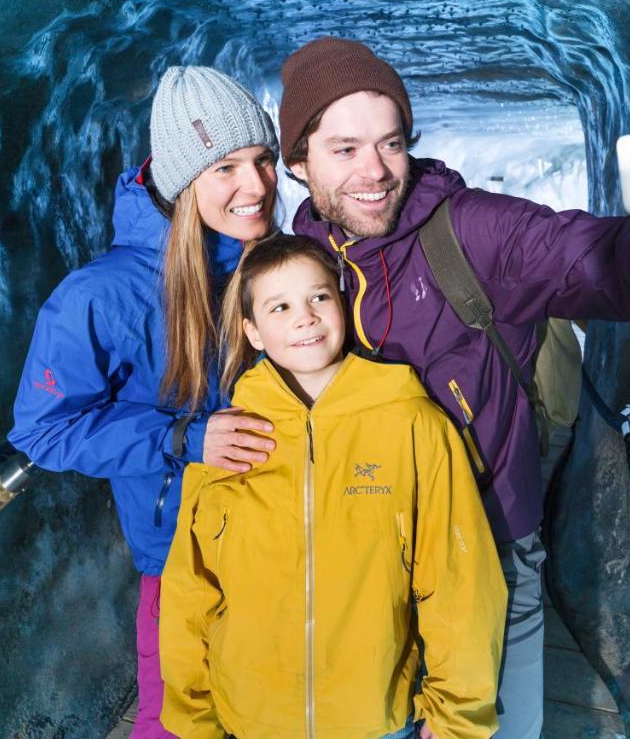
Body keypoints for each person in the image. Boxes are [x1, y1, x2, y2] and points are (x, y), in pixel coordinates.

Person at [277, 36, 630, 738]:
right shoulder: (298, 269)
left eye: (391, 143)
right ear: (298, 161)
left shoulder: (475, 233)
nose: (376, 171)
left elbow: (605, 264)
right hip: (368, 563)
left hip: (493, 548)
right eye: (346, 148)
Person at [8, 66, 281, 739]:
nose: (258, 185)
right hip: (182, 553)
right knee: (175, 720)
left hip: (280, 538)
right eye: (226, 168)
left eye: (264, 159)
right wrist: (182, 439)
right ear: (182, 178)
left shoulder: (271, 263)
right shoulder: (101, 296)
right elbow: (44, 430)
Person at [160, 235, 507, 739]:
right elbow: (191, 591)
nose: (304, 317)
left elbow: (460, 578)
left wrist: (458, 712)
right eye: (279, 306)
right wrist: (195, 719)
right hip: (251, 721)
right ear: (252, 331)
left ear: (342, 305)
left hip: (374, 721)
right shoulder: (227, 441)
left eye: (319, 297)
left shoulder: (412, 424)